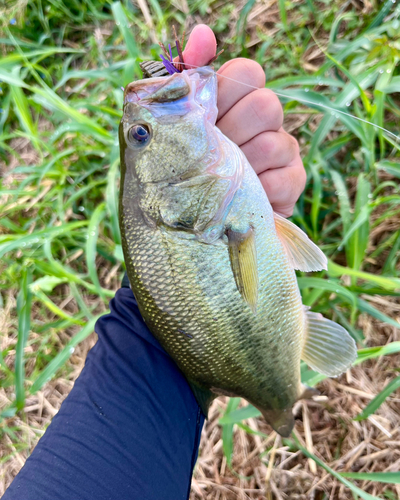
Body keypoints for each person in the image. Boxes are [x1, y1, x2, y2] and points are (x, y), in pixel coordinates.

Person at [3, 24, 305, 500]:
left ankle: (279, 403)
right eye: (141, 135)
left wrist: (155, 339)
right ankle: (281, 405)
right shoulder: (183, 204)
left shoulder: (188, 204)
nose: (142, 130)